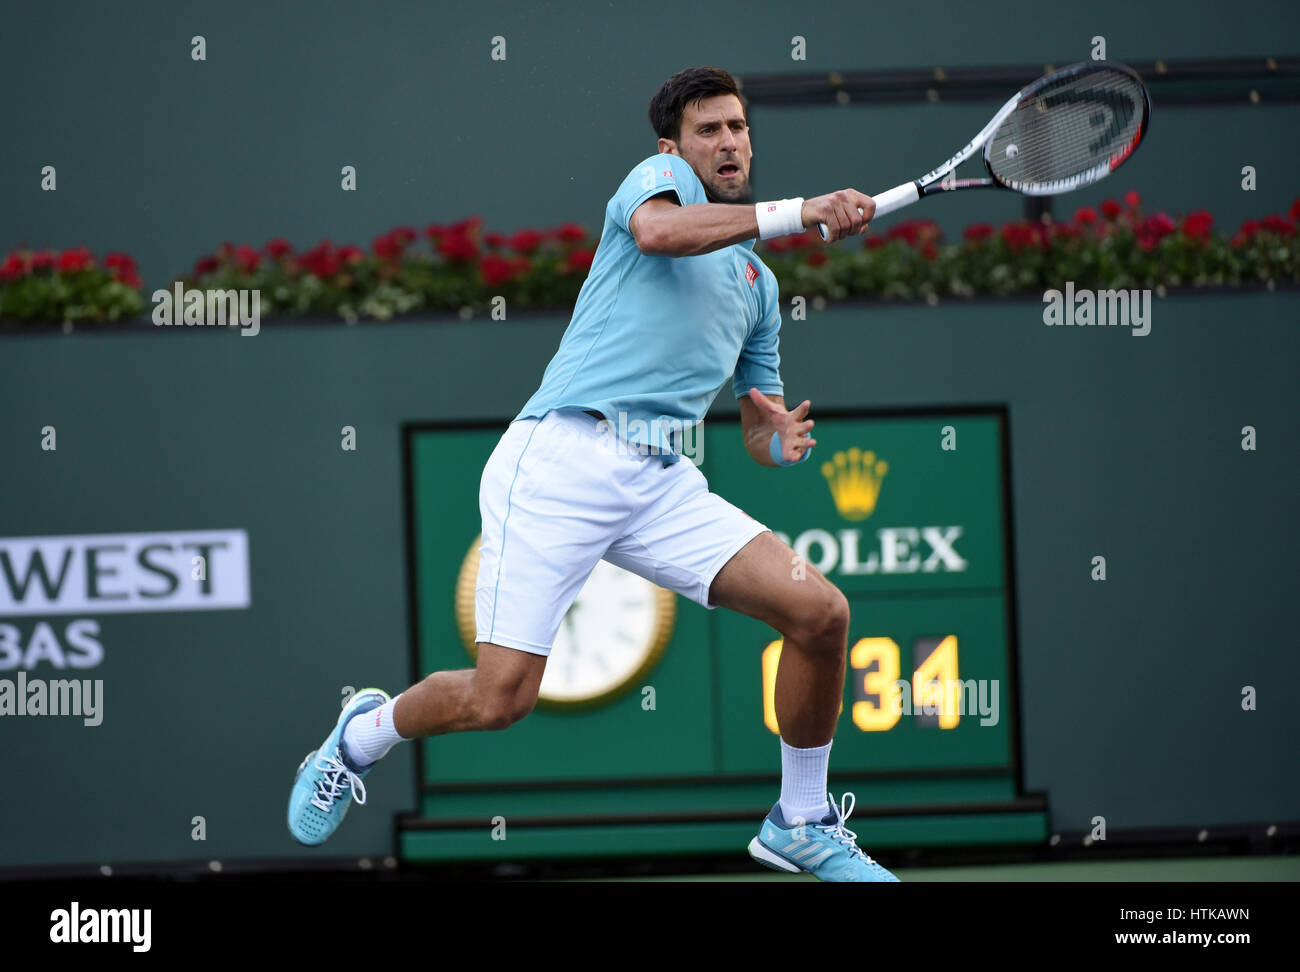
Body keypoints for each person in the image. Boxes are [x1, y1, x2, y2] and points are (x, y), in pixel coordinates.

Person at [287, 65, 897, 882]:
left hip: (660, 480)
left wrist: (776, 439)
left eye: (737, 128)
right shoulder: (656, 188)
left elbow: (757, 425)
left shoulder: (758, 285)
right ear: (673, 148)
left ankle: (801, 819)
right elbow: (660, 235)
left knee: (820, 614)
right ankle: (361, 735)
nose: (727, 142)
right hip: (562, 460)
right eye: (708, 129)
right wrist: (803, 212)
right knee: (499, 700)